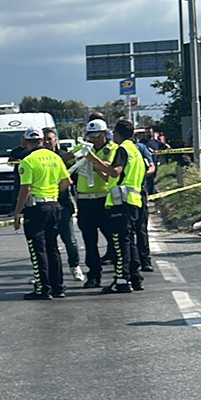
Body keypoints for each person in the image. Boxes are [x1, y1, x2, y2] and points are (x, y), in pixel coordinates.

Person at [86, 119, 145, 294]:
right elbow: (118, 173)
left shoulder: (122, 149)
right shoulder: (135, 150)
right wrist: (100, 169)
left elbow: (115, 171)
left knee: (120, 244)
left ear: (117, 133)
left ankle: (121, 280)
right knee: (129, 241)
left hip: (122, 202)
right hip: (134, 200)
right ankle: (135, 277)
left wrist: (93, 159)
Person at [13, 128, 71, 299]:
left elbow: (26, 188)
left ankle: (42, 288)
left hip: (36, 208)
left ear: (25, 141)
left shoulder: (27, 161)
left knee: (38, 249)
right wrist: (54, 194)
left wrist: (17, 212)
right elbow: (67, 181)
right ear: (41, 140)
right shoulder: (55, 157)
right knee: (52, 248)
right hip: (54, 205)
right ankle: (58, 287)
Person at [73, 119, 117, 289]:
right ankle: (94, 275)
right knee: (89, 241)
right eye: (90, 136)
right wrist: (75, 157)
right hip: (85, 200)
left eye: (96, 136)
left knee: (114, 239)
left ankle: (120, 274)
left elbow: (110, 173)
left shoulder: (112, 150)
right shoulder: (85, 147)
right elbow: (67, 159)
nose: (92, 139)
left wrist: (92, 163)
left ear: (105, 134)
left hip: (104, 198)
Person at [43, 128, 83, 282]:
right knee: (47, 243)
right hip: (45, 205)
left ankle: (75, 266)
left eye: (50, 139)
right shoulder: (38, 157)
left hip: (63, 204)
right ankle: (45, 273)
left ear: (56, 140)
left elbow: (74, 175)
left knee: (70, 240)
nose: (47, 142)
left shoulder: (64, 157)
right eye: (45, 139)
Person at [133, 137, 157, 272]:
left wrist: (140, 175)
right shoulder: (116, 149)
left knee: (141, 228)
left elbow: (151, 167)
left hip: (138, 191)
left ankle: (145, 260)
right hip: (120, 194)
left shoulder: (140, 148)